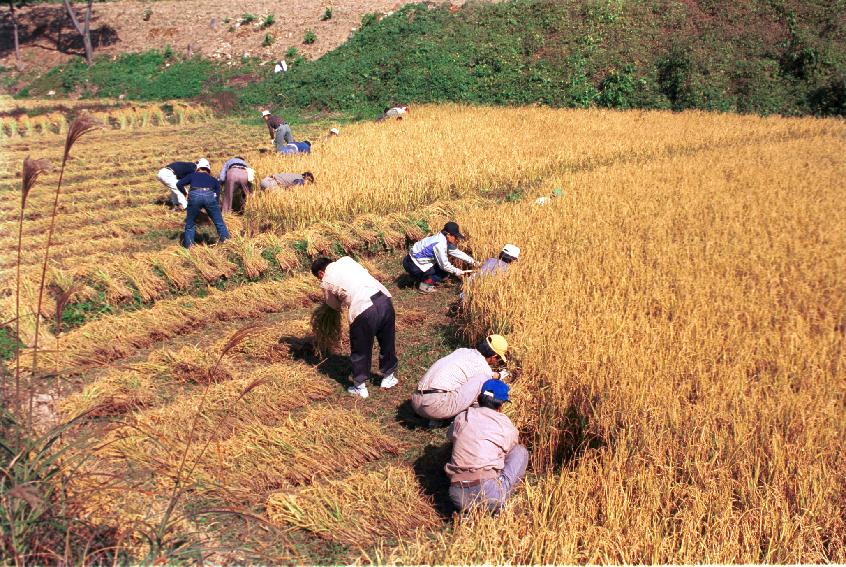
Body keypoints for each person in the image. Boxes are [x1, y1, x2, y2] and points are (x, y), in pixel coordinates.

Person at [311, 256, 399, 399]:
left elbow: (333, 306)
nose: (320, 280)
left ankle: (360, 386)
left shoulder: (326, 280)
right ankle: (388, 377)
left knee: (361, 348)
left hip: (363, 309)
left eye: (318, 278)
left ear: (320, 273)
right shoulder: (346, 260)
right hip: (384, 300)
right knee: (387, 340)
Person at [446, 379, 528, 513]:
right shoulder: (504, 424)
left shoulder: (463, 416)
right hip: (488, 492)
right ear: (501, 405)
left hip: (457, 495)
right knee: (520, 451)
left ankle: (470, 511)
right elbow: (510, 450)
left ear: (479, 398)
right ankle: (498, 506)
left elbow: (450, 436)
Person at [411, 335, 509, 424]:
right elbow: (486, 375)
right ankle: (474, 419)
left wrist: (498, 375)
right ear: (494, 356)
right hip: (434, 406)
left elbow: (477, 370)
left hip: (416, 400)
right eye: (498, 359)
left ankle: (439, 417)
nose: (496, 362)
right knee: (483, 386)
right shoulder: (484, 370)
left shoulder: (462, 351)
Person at [403, 221, 478, 293]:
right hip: (413, 265)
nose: (456, 239)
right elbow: (444, 265)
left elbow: (456, 252)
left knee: (439, 269)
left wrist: (473, 262)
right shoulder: (440, 244)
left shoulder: (441, 237)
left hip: (410, 260)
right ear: (448, 235)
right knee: (443, 272)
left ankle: (415, 278)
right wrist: (457, 272)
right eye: (455, 237)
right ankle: (424, 285)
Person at [177, 158, 230, 248]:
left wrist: (185, 193)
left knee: (190, 223)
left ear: (198, 168)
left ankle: (189, 246)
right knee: (219, 222)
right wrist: (214, 207)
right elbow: (216, 196)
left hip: (194, 194)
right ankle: (227, 243)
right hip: (210, 196)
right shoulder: (213, 180)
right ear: (208, 169)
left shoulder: (192, 175)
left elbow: (179, 184)